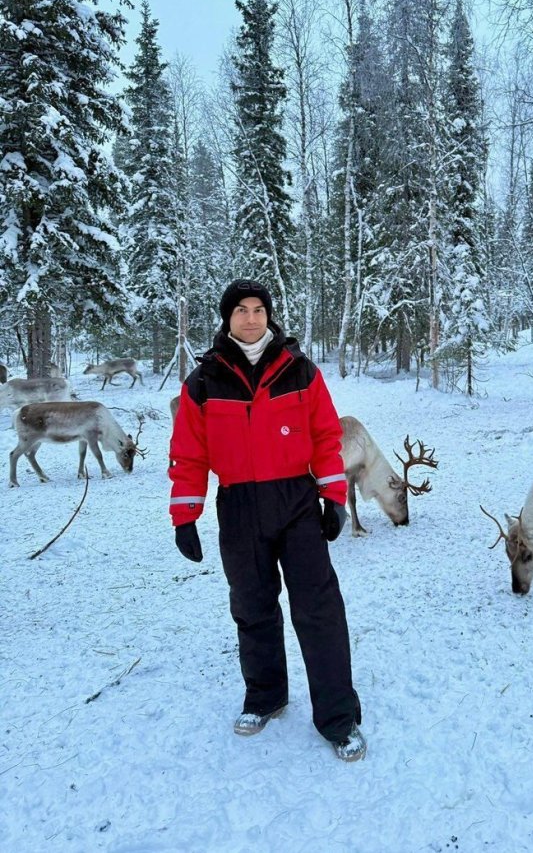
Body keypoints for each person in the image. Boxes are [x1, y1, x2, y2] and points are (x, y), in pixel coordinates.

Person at [168, 279, 366, 762]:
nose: (251, 318)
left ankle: (338, 717)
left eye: (259, 309)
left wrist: (334, 497)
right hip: (238, 506)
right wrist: (184, 514)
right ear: (227, 318)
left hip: (296, 502)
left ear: (270, 316)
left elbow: (325, 436)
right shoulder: (203, 382)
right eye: (241, 310)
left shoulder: (301, 371)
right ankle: (266, 694)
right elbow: (189, 453)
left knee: (318, 610)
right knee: (252, 606)